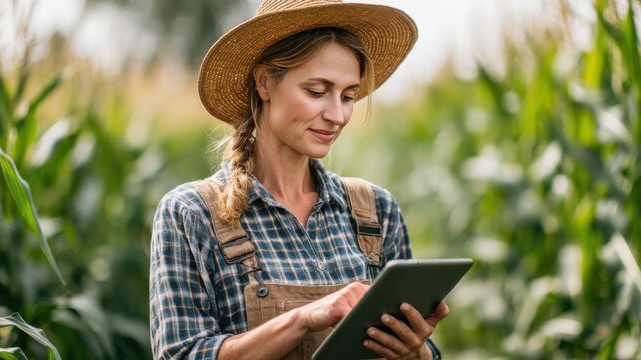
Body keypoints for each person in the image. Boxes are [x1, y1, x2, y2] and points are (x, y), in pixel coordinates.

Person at [150, 0, 450, 359]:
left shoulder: (375, 211)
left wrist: (415, 351)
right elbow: (182, 354)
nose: (337, 115)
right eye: (317, 92)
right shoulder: (191, 214)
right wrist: (305, 318)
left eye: (348, 96)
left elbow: (426, 353)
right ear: (264, 83)